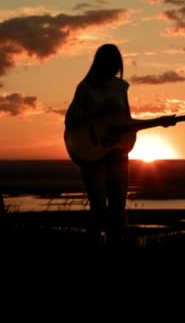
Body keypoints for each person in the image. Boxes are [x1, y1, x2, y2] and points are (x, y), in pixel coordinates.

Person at [64, 44, 133, 243]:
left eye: (116, 64)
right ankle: (95, 248)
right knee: (98, 207)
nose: (114, 68)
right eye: (110, 63)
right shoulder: (86, 88)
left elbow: (126, 119)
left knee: (119, 207)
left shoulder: (122, 87)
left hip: (117, 151)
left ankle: (117, 247)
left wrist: (161, 122)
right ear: (101, 64)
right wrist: (97, 113)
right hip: (93, 153)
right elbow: (70, 120)